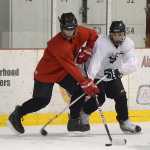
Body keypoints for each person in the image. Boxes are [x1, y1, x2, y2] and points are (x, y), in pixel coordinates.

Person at [8, 12, 100, 134]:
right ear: (61, 28)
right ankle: (17, 114)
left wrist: (89, 48)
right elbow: (71, 67)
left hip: (62, 72)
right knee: (42, 101)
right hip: (46, 73)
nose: (69, 33)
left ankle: (73, 121)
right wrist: (84, 82)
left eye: (72, 29)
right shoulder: (58, 45)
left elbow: (93, 34)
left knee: (79, 90)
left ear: (76, 27)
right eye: (66, 30)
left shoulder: (81, 32)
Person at [68, 20, 142, 134]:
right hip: (96, 74)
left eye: (120, 34)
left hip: (112, 74)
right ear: (110, 34)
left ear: (124, 34)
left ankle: (125, 121)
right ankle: (84, 114)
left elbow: (133, 63)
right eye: (115, 34)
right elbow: (95, 63)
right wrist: (90, 80)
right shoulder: (102, 43)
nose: (117, 37)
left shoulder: (128, 44)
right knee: (99, 98)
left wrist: (118, 71)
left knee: (121, 96)